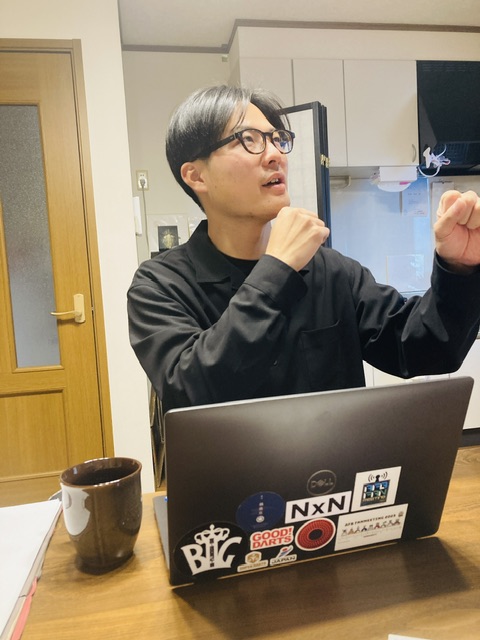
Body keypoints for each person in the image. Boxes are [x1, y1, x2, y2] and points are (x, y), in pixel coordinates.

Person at [127, 84, 480, 415]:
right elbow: (189, 390)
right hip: (232, 466)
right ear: (196, 176)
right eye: (249, 140)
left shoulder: (330, 270)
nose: (275, 155)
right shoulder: (160, 285)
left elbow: (425, 348)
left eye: (276, 139)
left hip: (337, 462)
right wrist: (277, 269)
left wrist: (459, 268)